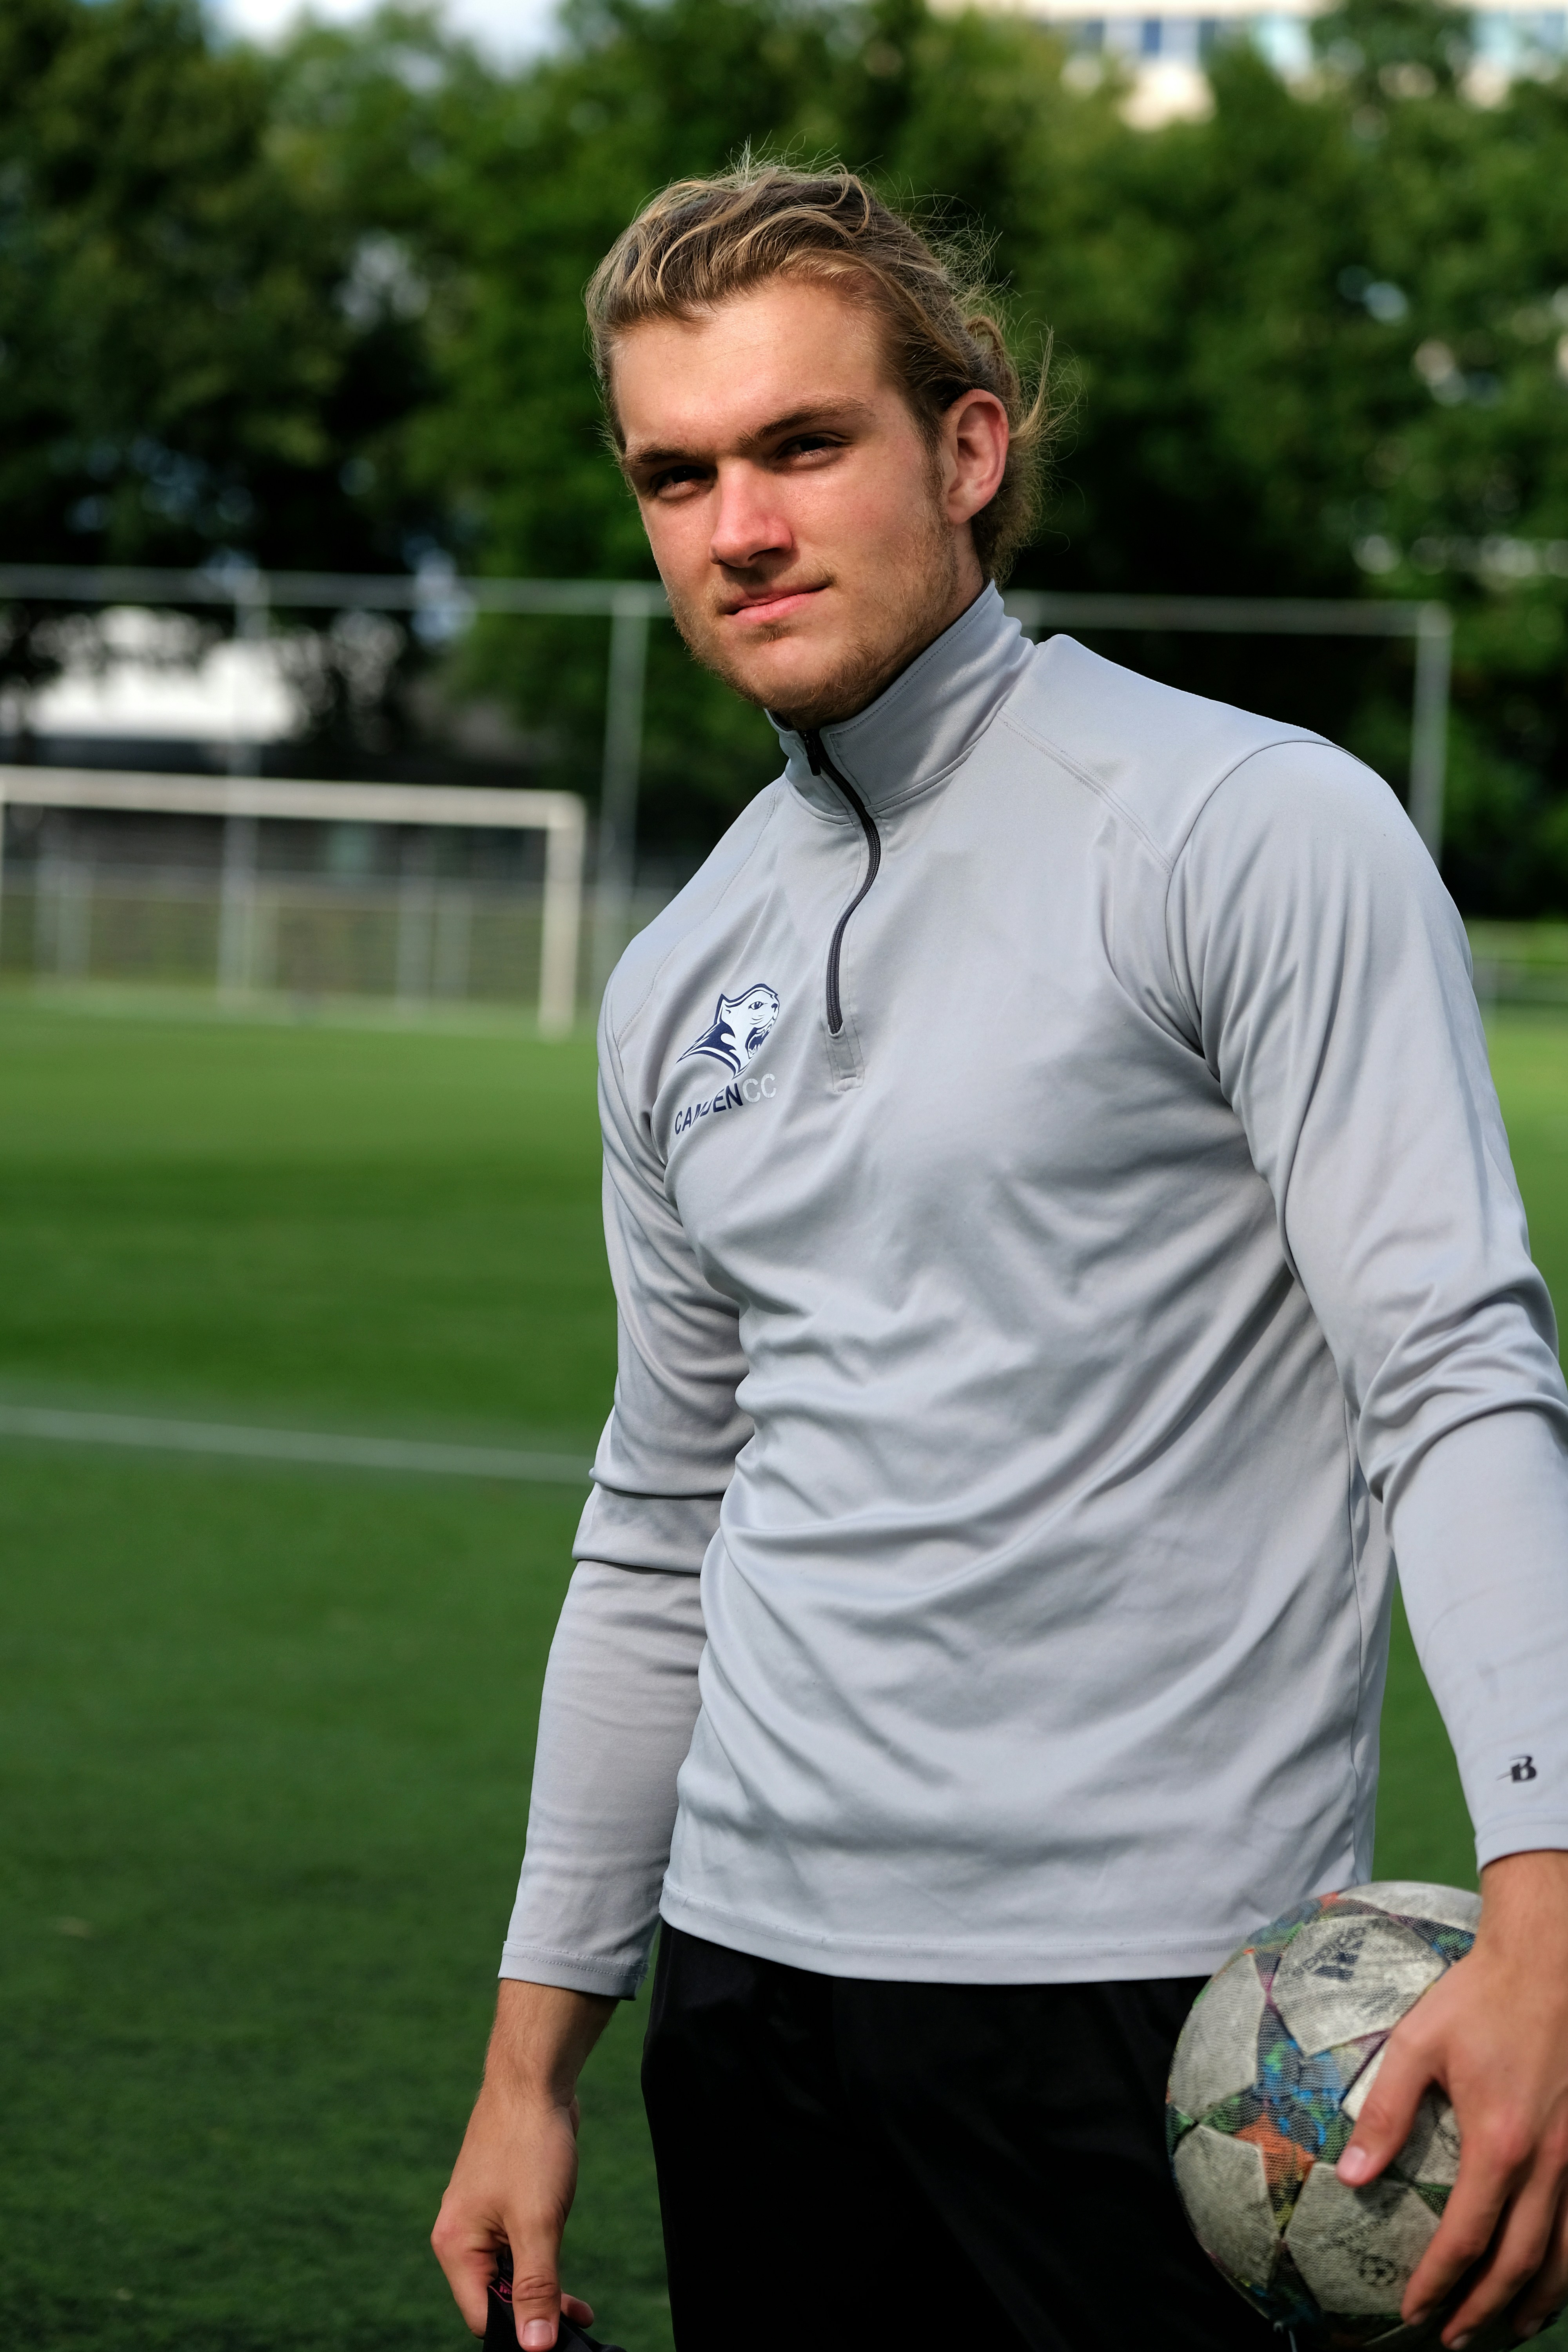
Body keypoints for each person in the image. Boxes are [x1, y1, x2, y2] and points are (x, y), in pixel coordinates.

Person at [432, 163, 1568, 2352]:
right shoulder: (679, 976)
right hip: (752, 2004)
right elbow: (660, 1524)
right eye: (677, 475)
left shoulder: (1248, 828)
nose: (735, 525)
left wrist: (1547, 1917)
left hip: (1143, 2016)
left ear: (966, 450)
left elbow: (1457, 1378)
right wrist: (530, 2063)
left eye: (799, 445)